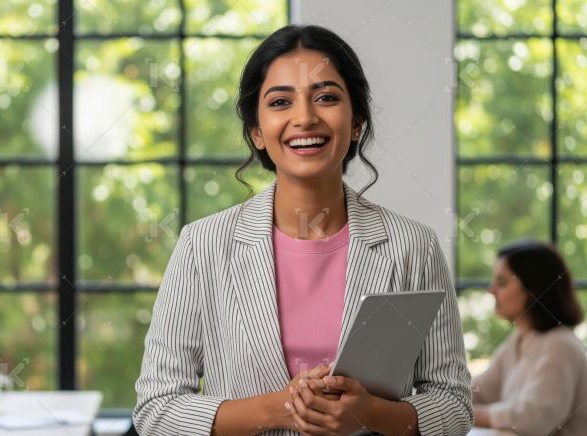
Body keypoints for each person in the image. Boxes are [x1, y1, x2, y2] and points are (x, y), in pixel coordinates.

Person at [133, 24, 473, 435]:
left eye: (327, 97)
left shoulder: (412, 246)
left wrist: (370, 413)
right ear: (257, 131)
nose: (305, 118)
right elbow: (156, 409)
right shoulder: (202, 245)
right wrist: (281, 408)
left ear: (357, 122)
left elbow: (453, 406)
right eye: (280, 102)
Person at [472, 241, 587, 435]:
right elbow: (480, 390)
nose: (491, 290)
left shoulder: (561, 345)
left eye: (502, 283)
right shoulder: (519, 341)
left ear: (533, 289)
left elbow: (533, 418)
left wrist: (463, 413)